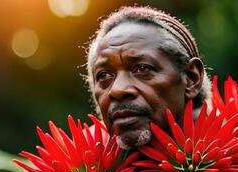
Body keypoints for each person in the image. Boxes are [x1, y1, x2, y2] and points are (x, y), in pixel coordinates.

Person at [86, 6, 212, 149]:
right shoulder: (77, 163)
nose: (117, 90)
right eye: (104, 75)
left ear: (191, 78)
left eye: (142, 68)